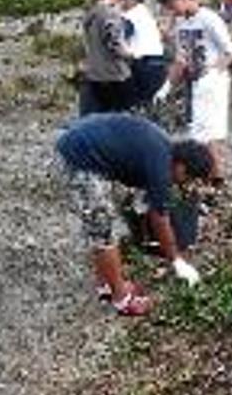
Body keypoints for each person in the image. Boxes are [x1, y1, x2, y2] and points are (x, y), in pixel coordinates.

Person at [56, 113, 210, 316]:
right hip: (78, 158)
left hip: (85, 146)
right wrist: (177, 261)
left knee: (104, 225)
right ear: (181, 165)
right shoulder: (161, 165)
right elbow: (159, 217)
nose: (182, 182)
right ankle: (122, 299)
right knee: (103, 229)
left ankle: (106, 284)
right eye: (187, 176)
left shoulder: (164, 149)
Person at [155, 0, 232, 186]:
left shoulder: (209, 18)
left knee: (210, 133)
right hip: (194, 83)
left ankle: (216, 180)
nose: (171, 13)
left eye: (172, 7)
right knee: (199, 132)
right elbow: (181, 60)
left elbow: (230, 52)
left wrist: (213, 74)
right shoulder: (181, 23)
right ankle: (210, 180)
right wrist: (164, 89)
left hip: (212, 83)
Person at [80, 0, 135, 115]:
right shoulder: (109, 12)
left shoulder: (92, 10)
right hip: (115, 75)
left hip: (95, 75)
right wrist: (130, 55)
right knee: (123, 119)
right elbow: (114, 43)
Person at [121, 0, 167, 105]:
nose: (120, 2)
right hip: (158, 63)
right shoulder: (145, 13)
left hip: (143, 65)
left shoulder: (130, 15)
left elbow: (119, 40)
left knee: (136, 105)